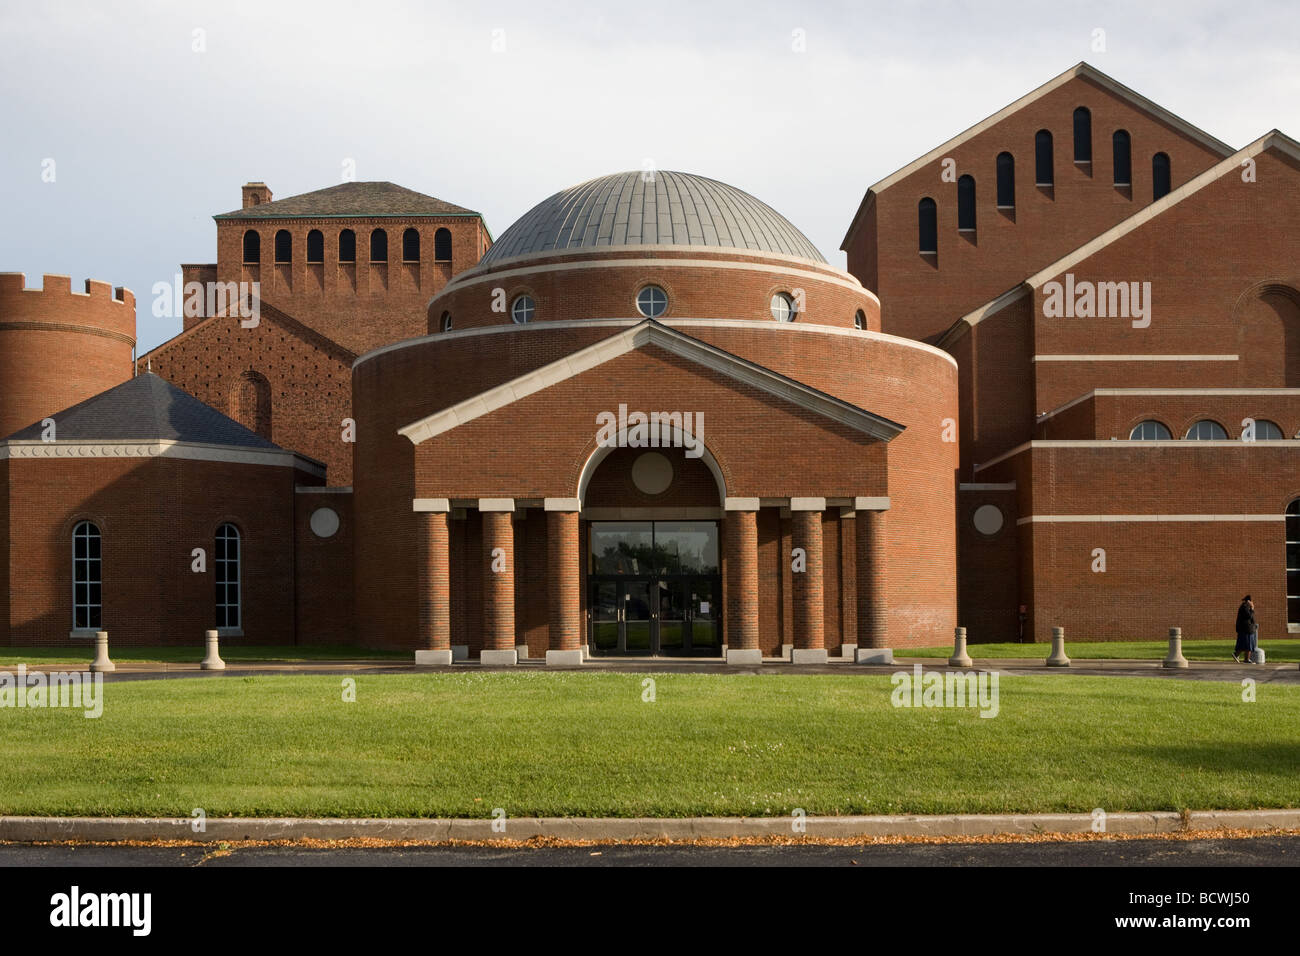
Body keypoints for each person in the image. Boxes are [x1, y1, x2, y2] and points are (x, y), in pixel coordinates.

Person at [1233, 595, 1258, 663]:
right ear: (1248, 601)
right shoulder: (1244, 607)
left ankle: (1245, 658)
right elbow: (1249, 616)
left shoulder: (1245, 607)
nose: (1252, 603)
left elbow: (1251, 617)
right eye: (1251, 601)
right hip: (1246, 629)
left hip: (1247, 628)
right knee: (1247, 644)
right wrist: (1252, 608)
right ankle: (1238, 655)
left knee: (1246, 644)